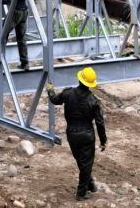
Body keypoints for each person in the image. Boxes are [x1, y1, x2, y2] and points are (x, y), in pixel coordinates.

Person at [47, 67, 107, 201]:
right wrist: (103, 141)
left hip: (72, 134)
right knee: (85, 162)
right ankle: (81, 192)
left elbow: (55, 100)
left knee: (81, 161)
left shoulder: (68, 94)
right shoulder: (94, 101)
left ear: (80, 79)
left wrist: (50, 89)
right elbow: (100, 123)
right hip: (87, 135)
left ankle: (90, 184)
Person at [1, 0, 31, 70]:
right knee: (21, 38)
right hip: (24, 11)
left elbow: (9, 0)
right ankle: (25, 62)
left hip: (15, 12)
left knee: (1, 34)